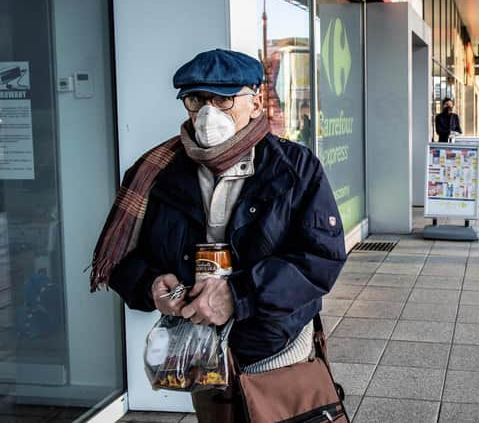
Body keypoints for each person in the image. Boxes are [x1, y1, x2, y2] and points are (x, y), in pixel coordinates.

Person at [90, 48, 347, 421]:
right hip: (201, 360)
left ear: (256, 102)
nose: (208, 113)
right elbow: (119, 261)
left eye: (224, 99)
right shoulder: (153, 173)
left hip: (276, 352)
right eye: (197, 100)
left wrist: (238, 295)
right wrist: (150, 284)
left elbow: (320, 259)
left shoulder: (295, 168)